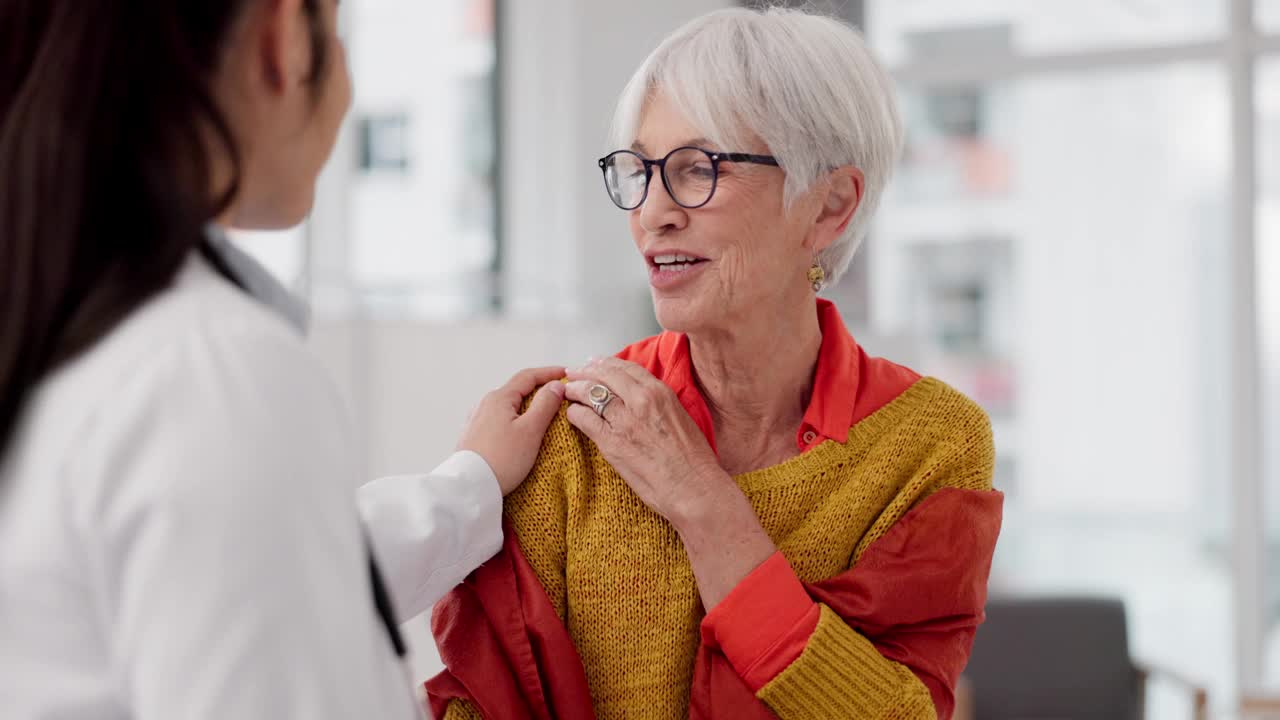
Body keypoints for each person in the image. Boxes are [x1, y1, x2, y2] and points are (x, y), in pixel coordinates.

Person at [426, 8, 1003, 720]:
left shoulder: (932, 444)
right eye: (638, 169)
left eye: (699, 169)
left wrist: (704, 505)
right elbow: (484, 704)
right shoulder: (571, 435)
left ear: (828, 207)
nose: (652, 212)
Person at [0, 1, 563, 718]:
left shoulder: (69, 324)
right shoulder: (208, 371)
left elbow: (250, 576)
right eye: (336, 34)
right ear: (284, 40)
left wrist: (469, 486)